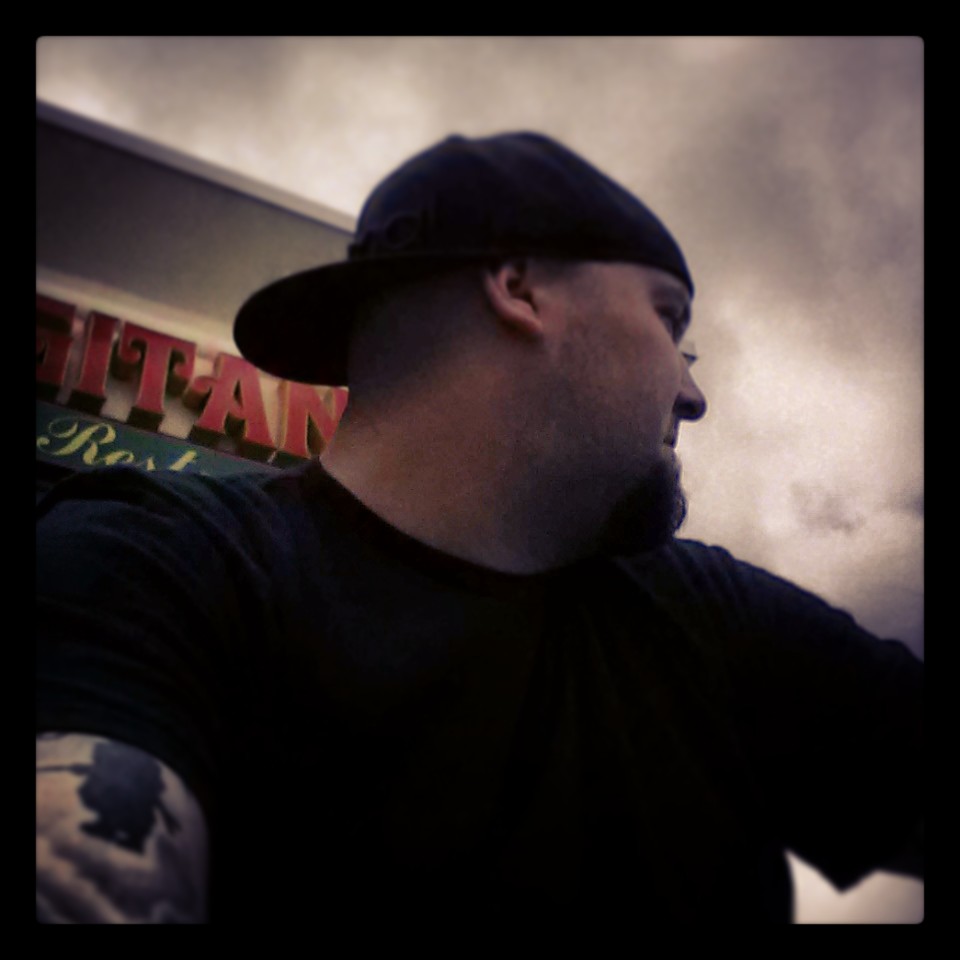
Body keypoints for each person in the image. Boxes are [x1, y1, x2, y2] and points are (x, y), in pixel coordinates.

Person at [36, 132, 922, 926]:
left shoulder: (715, 625)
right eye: (670, 321)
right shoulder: (156, 569)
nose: (693, 396)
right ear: (520, 288)